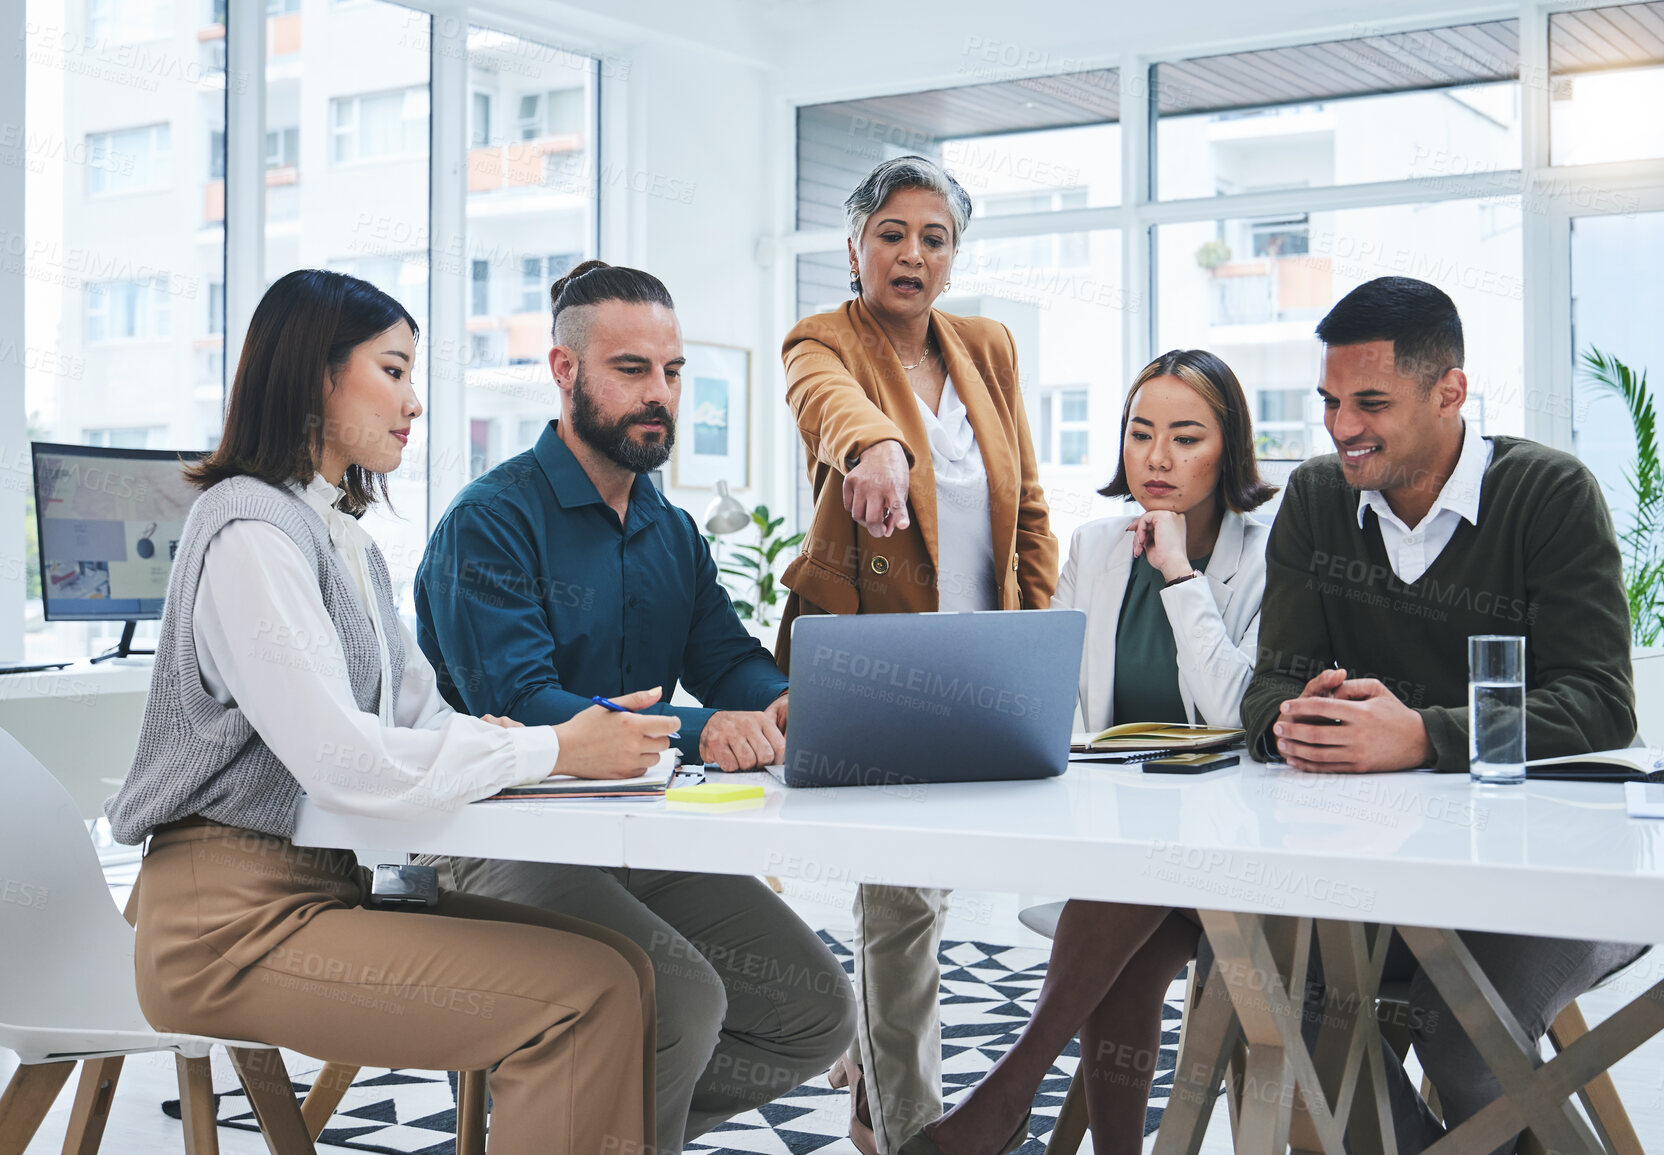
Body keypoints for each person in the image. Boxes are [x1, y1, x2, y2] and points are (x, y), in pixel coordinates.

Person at [104, 269, 663, 1155]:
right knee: (584, 994)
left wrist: (544, 739)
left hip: (319, 894)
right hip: (224, 930)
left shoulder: (346, 542)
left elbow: (420, 718)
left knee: (627, 971)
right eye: (393, 370)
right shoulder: (249, 530)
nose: (414, 401)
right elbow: (345, 762)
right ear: (316, 376)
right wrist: (553, 749)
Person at [413, 260, 854, 1153]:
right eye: (631, 369)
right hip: (496, 839)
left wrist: (788, 704)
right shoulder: (488, 522)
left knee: (814, 1011)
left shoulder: (669, 528)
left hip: (639, 833)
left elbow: (727, 659)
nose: (660, 394)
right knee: (681, 1000)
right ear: (565, 371)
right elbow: (528, 708)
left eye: (673, 371)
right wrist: (708, 730)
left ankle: (573, 1131)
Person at [1240, 275, 1645, 1154]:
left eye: (1370, 402)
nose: (1341, 425)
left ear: (1449, 391)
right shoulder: (1313, 501)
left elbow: (1602, 703)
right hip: (1382, 871)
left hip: (1556, 871)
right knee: (1255, 985)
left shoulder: (1547, 494)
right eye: (1330, 401)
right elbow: (1268, 686)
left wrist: (1423, 736)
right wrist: (1298, 718)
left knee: (1464, 1037)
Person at [902, 350, 1274, 1155]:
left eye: (1185, 436)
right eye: (1140, 434)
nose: (1157, 457)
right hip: (1126, 839)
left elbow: (1238, 710)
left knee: (1120, 896)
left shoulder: (1266, 550)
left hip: (1237, 842)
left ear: (1229, 448)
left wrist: (1178, 572)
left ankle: (1006, 1093)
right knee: (1129, 939)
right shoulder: (1098, 544)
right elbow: (1061, 707)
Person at [778, 155, 1059, 1154]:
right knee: (902, 902)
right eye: (892, 233)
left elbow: (1025, 504)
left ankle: (871, 1077)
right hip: (880, 662)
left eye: (933, 238)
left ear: (954, 257)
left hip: (988, 661)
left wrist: (1041, 633)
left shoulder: (988, 348)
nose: (911, 253)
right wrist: (875, 448)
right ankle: (908, 1126)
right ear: (857, 245)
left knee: (929, 888)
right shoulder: (826, 340)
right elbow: (826, 405)